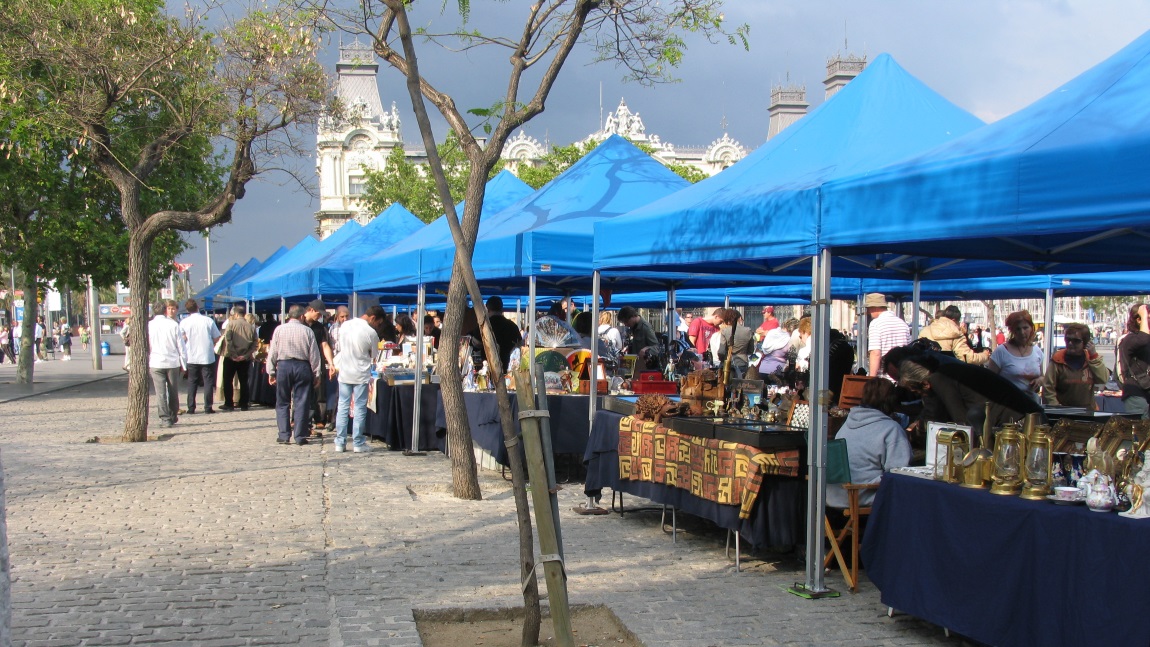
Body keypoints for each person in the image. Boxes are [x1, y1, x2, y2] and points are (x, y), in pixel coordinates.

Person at [826, 378, 911, 509]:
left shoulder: (847, 424)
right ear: (892, 400)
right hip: (860, 495)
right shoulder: (891, 428)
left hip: (833, 495)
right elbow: (899, 472)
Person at [332, 305, 384, 453]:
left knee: (343, 407)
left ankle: (340, 442)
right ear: (373, 318)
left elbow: (341, 346)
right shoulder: (370, 332)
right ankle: (358, 442)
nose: (378, 326)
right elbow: (374, 354)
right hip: (361, 373)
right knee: (360, 408)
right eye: (378, 323)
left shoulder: (346, 325)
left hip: (345, 371)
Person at [267, 304, 321, 445]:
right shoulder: (307, 331)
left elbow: (273, 352)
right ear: (302, 316)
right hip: (302, 366)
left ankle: (284, 435)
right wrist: (317, 373)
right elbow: (314, 354)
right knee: (302, 402)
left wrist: (271, 371)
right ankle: (300, 435)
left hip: (284, 365)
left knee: (282, 401)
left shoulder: (279, 330)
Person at [1043, 323, 1108, 409]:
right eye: (1067, 339)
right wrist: (1056, 408)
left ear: (1085, 343)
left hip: (1088, 411)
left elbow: (1103, 379)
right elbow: (1048, 388)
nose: (1070, 343)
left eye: (1076, 341)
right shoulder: (1057, 360)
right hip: (1063, 412)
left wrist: (1093, 356)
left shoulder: (1091, 360)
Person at [987, 310, 1044, 403]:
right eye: (1018, 329)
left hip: (1032, 404)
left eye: (1025, 328)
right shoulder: (1001, 352)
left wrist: (1039, 381)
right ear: (1012, 331)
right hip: (1008, 405)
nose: (1022, 332)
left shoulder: (1037, 351)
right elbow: (990, 381)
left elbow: (1043, 376)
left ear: (1031, 328)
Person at [148, 300, 186, 428]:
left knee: (160, 392)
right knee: (173, 390)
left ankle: (165, 419)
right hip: (172, 362)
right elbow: (181, 346)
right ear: (165, 311)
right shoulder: (173, 325)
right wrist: (184, 363)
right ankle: (173, 415)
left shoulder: (149, 325)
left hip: (156, 361)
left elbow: (148, 345)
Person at [179, 299, 221, 414]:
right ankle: (208, 406)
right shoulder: (208, 320)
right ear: (198, 307)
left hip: (191, 355)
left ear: (187, 310)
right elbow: (217, 337)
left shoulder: (184, 322)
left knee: (192, 381)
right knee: (208, 381)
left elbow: (182, 339)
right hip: (206, 355)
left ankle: (191, 407)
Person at [919, 305, 989, 365]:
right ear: (954, 320)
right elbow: (969, 358)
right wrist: (985, 355)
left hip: (924, 373)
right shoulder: (956, 334)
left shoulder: (925, 330)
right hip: (947, 375)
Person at [303, 300, 335, 429]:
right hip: (303, 362)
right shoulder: (299, 324)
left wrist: (331, 363)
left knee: (319, 392)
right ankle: (299, 418)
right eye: (318, 313)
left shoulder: (319, 327)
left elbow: (325, 345)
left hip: (318, 361)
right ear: (311, 310)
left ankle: (320, 418)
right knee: (302, 392)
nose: (320, 316)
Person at [864, 293, 910, 381]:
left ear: (875, 307)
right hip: (901, 376)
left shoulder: (876, 324)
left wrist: (871, 379)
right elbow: (907, 350)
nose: (868, 312)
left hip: (884, 378)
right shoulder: (902, 323)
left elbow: (875, 353)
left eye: (868, 308)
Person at [220, 305, 258, 412]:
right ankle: (244, 404)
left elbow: (228, 340)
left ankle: (229, 403)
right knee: (244, 381)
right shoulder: (251, 326)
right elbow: (255, 343)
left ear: (236, 314)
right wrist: (245, 355)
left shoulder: (231, 324)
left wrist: (233, 354)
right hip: (245, 358)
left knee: (228, 380)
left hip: (231, 357)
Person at [1118, 303, 1150, 418]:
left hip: (1146, 389)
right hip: (1135, 392)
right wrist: (1144, 313)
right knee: (1141, 428)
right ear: (1139, 320)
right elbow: (1143, 339)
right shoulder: (1129, 339)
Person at [485, 296, 522, 371]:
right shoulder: (512, 326)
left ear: (488, 309)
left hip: (488, 369)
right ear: (502, 309)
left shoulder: (485, 326)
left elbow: (476, 342)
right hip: (508, 368)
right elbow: (520, 345)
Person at [717, 308, 755, 379]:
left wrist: (723, 360)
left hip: (728, 364)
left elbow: (721, 352)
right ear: (739, 318)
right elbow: (751, 350)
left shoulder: (725, 331)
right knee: (741, 386)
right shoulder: (748, 330)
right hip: (742, 363)